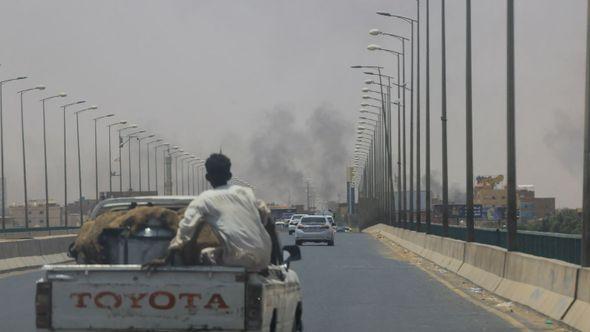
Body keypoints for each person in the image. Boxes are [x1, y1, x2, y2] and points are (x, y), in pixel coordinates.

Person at [145, 153, 272, 271]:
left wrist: (165, 258)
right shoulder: (246, 192)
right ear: (229, 176)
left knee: (205, 254)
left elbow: (185, 230)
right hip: (265, 257)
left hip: (238, 259)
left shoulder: (203, 199)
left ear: (207, 177)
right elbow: (265, 213)